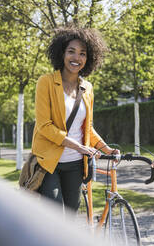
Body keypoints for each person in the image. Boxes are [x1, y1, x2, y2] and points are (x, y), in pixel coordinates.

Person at [31, 26, 120, 212]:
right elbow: (44, 126)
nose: (76, 58)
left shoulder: (87, 88)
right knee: (54, 215)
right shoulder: (46, 82)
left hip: (76, 164)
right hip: (49, 162)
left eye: (82, 53)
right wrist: (78, 146)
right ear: (62, 53)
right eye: (71, 51)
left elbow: (87, 128)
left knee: (71, 216)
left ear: (88, 59)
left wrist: (106, 149)